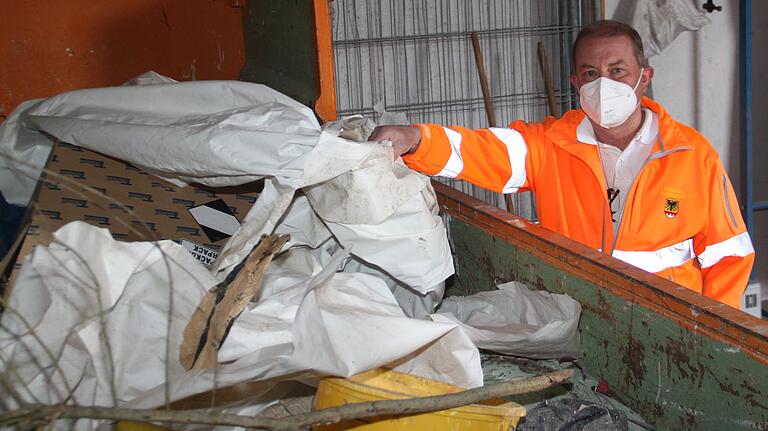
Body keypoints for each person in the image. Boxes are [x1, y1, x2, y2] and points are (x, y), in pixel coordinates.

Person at [369, 20, 754, 309]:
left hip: (669, 325)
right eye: (591, 73)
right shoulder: (551, 144)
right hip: (581, 317)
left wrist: (711, 335)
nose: (605, 83)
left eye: (617, 70)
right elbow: (481, 149)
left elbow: (729, 255)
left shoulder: (690, 155)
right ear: (576, 83)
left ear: (644, 77)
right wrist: (417, 138)